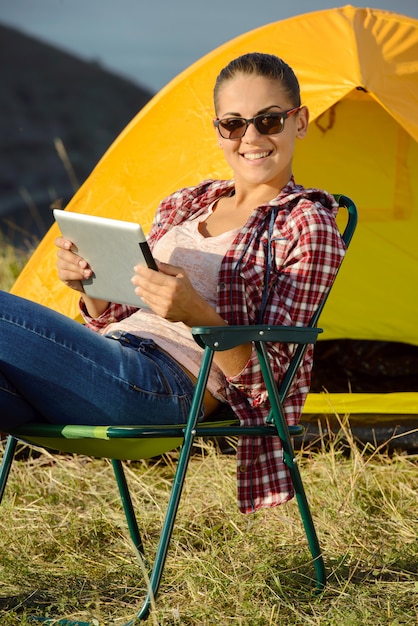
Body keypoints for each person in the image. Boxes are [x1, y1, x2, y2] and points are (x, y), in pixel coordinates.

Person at [0, 52, 345, 513]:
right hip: (112, 363)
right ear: (218, 130)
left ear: (299, 122)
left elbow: (272, 379)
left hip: (167, 388)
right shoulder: (187, 203)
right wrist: (91, 284)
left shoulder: (307, 225)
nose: (252, 137)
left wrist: (197, 314)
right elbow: (120, 311)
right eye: (234, 124)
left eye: (269, 120)